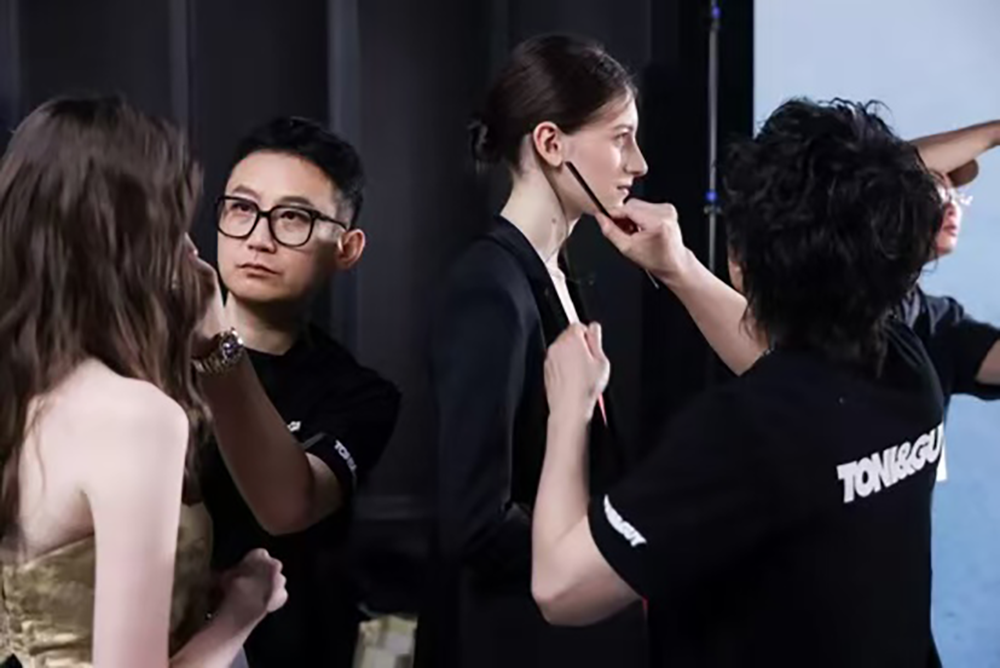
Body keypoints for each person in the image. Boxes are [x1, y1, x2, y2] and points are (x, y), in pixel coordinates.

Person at [532, 99, 947, 666]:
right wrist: (678, 268)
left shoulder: (741, 432)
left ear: (742, 260)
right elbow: (789, 368)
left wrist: (569, 411)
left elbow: (560, 588)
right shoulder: (905, 368)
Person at [0, 96, 286, 668]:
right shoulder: (135, 419)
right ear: (135, 241)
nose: (190, 248)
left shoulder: (23, 392)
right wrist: (243, 611)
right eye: (174, 222)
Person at [418, 34, 649, 668]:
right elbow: (475, 521)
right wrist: (607, 560)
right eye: (621, 138)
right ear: (550, 143)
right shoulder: (487, 290)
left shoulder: (555, 271)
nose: (638, 163)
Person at [193, 116, 401, 668]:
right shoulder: (142, 357)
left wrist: (215, 346)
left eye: (293, 218)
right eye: (242, 208)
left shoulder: (359, 395)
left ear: (347, 248)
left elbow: (288, 507)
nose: (258, 238)